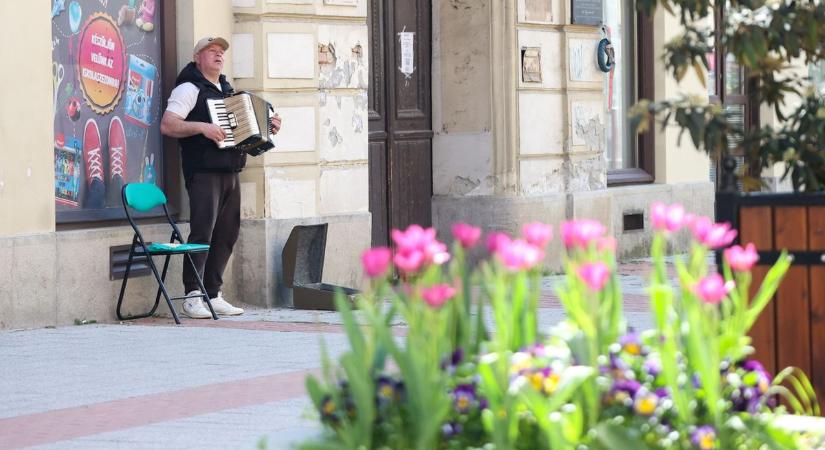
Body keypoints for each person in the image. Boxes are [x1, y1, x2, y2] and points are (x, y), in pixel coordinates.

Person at [160, 36, 282, 318]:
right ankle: (192, 295)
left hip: (230, 170)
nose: (218, 56)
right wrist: (203, 127)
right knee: (202, 231)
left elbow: (245, 129)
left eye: (221, 52)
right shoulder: (188, 89)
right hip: (203, 171)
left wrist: (269, 125)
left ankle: (212, 293)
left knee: (227, 233)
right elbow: (168, 124)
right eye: (211, 51)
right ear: (197, 58)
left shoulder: (228, 91)